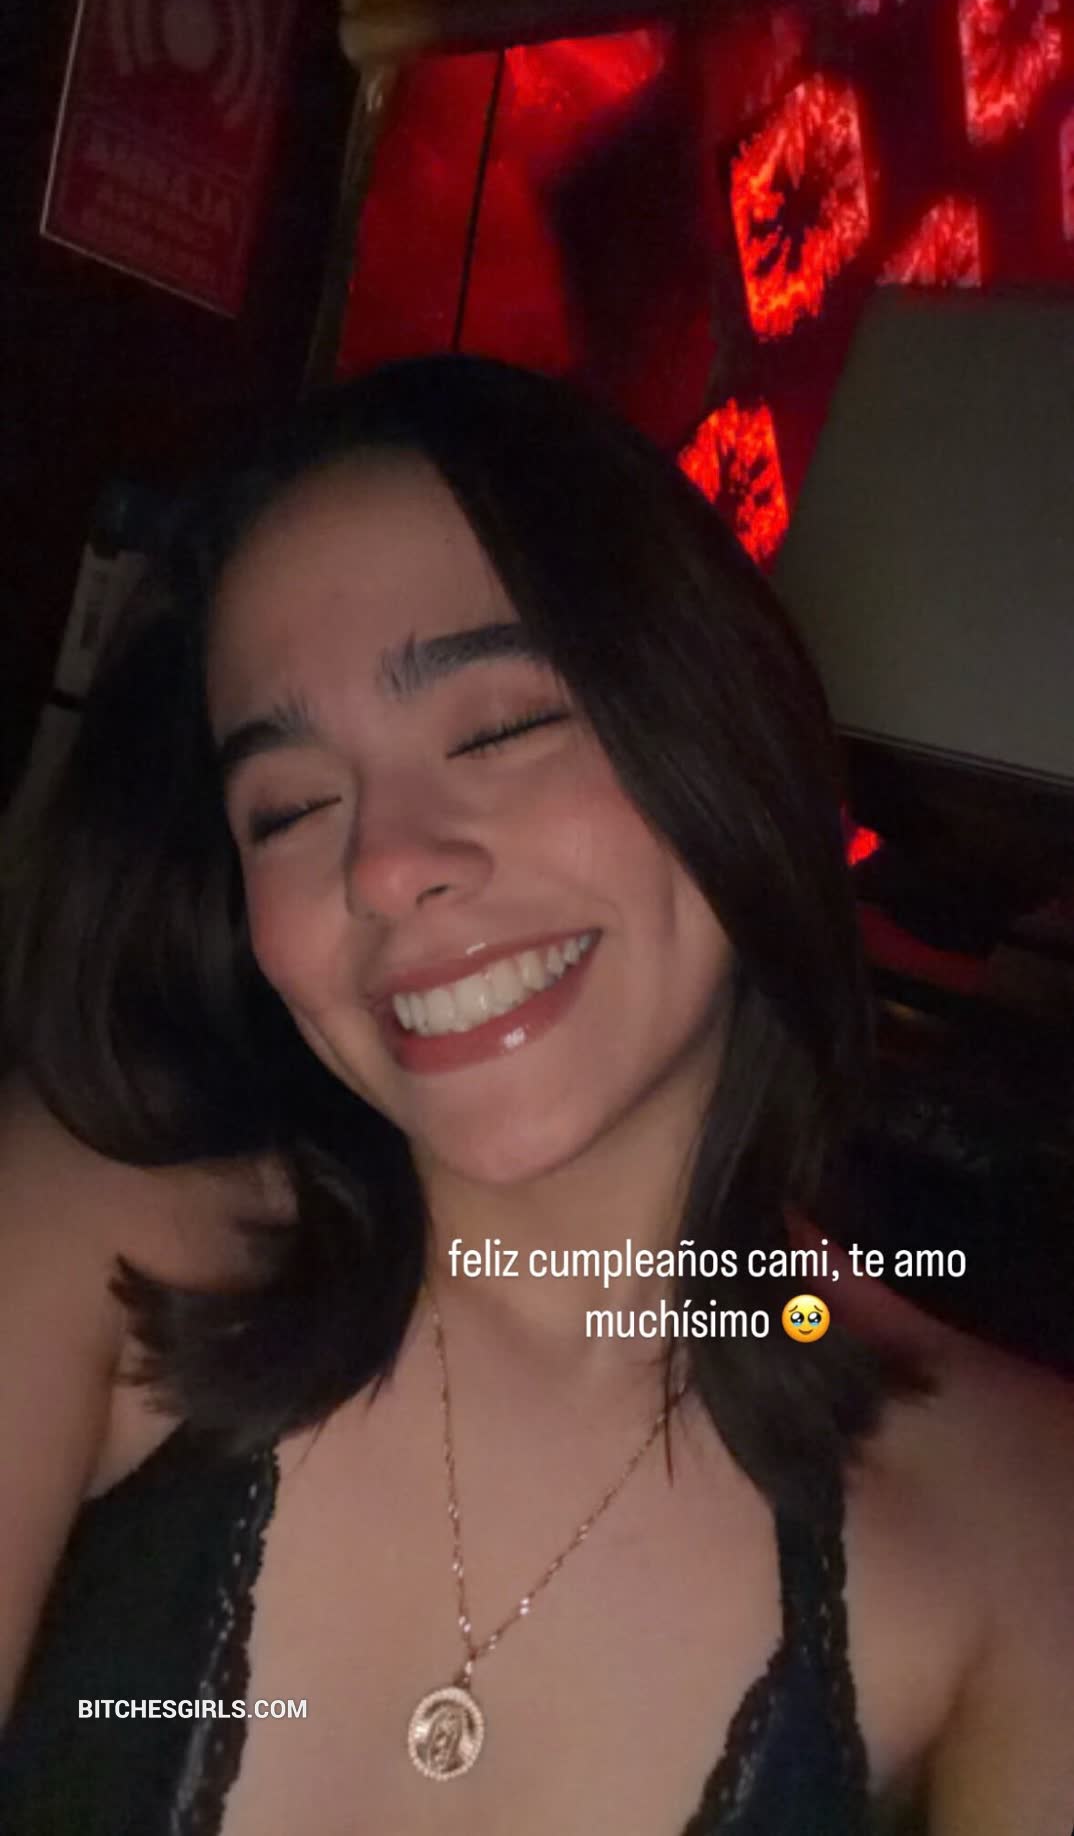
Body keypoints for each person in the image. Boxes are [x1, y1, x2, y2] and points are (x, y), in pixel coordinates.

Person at [1, 356, 1072, 1836]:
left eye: (498, 729)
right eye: (290, 807)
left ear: (724, 728)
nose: (385, 865)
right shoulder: (82, 1234)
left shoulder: (1024, 1511)